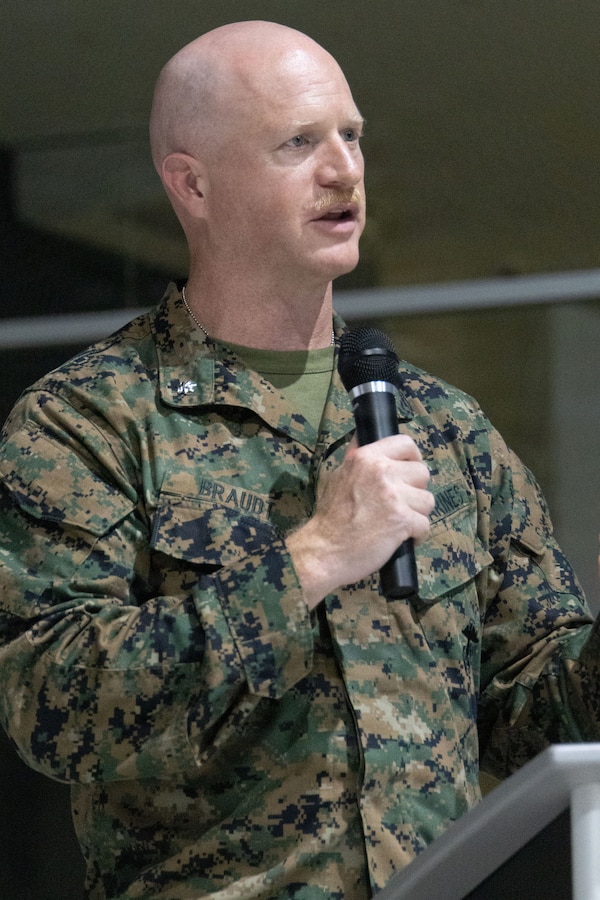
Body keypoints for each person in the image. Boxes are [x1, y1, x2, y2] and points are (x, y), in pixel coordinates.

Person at [0, 19, 598, 900]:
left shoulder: (447, 425)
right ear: (193, 184)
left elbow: (528, 707)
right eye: (297, 143)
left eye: (351, 136)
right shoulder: (86, 422)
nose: (344, 170)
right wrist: (313, 557)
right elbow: (56, 709)